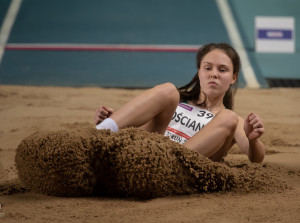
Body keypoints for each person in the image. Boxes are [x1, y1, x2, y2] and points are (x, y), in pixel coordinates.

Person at [94, 43, 265, 163]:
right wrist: (115, 119)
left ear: (233, 78)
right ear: (199, 72)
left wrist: (252, 140)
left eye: (222, 70)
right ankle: (99, 134)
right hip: (148, 151)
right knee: (168, 90)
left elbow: (256, 158)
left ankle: (170, 165)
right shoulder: (175, 100)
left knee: (229, 116)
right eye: (207, 68)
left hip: (180, 165)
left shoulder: (231, 120)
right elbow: (143, 127)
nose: (214, 74)